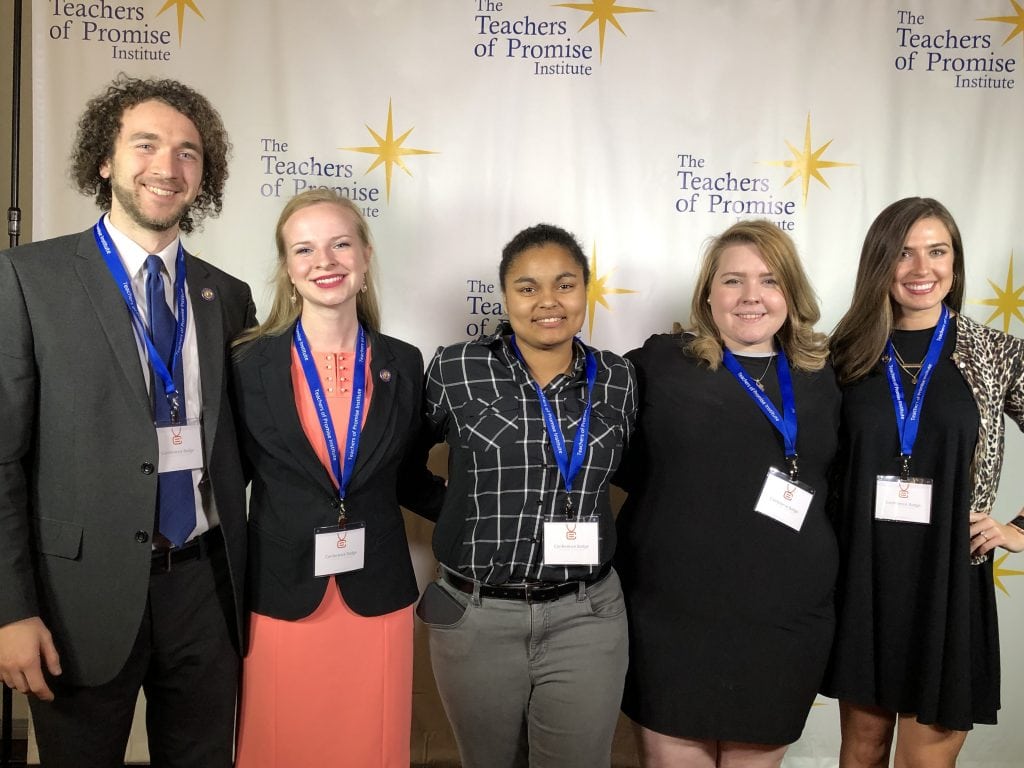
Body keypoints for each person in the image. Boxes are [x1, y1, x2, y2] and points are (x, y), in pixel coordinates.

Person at [0, 75, 254, 767]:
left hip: (205, 587)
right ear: (105, 161)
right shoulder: (29, 279)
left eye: (188, 152)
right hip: (76, 597)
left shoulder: (226, 296)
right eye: (146, 145)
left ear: (204, 176)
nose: (167, 167)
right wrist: (9, 611)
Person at [614, 220, 840, 768]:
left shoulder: (828, 374)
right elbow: (603, 455)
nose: (751, 297)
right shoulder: (660, 363)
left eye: (769, 280)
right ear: (708, 294)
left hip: (783, 621)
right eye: (733, 280)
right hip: (671, 616)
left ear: (791, 291)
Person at [230, 189, 440, 767]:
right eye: (305, 249)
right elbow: (227, 482)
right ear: (288, 270)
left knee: (369, 745)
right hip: (281, 595)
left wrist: (487, 520)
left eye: (340, 244)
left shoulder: (405, 360)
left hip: (377, 598)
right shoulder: (248, 364)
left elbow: (411, 478)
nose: (324, 261)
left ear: (366, 257)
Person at [416, 223, 636, 768]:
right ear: (505, 294)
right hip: (477, 615)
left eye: (564, 284)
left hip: (586, 614)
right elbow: (400, 466)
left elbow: (639, 474)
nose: (548, 302)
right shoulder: (456, 368)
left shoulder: (619, 378)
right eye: (527, 287)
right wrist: (459, 514)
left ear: (586, 289)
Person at [821, 197, 1024, 767]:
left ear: (955, 264)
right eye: (903, 253)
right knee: (859, 752)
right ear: (879, 264)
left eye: (937, 251)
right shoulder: (844, 354)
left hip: (948, 581)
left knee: (924, 762)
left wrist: (1020, 530)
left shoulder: (993, 352)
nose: (921, 268)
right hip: (863, 579)